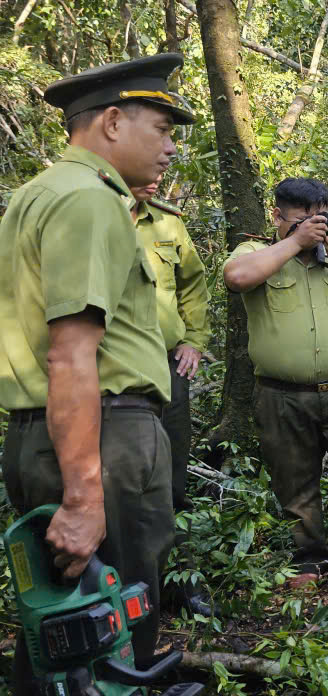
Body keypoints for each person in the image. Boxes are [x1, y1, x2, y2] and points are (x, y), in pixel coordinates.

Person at [0, 54, 195, 696]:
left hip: (52, 434)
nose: (172, 145)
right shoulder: (87, 201)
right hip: (100, 441)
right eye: (162, 126)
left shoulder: (36, 194)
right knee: (100, 632)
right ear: (112, 122)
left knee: (57, 628)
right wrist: (85, 497)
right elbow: (72, 353)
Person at [223, 178, 328, 587]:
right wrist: (294, 243)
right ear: (277, 216)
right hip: (281, 396)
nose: (315, 230)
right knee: (294, 481)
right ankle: (309, 561)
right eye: (303, 221)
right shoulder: (257, 252)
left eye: (319, 220)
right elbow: (237, 278)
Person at [131, 178, 216, 617]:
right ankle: (127, 591)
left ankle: (178, 584)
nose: (160, 165)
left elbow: (193, 285)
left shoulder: (168, 222)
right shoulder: (89, 212)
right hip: (109, 372)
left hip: (168, 368)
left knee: (173, 480)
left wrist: (195, 340)